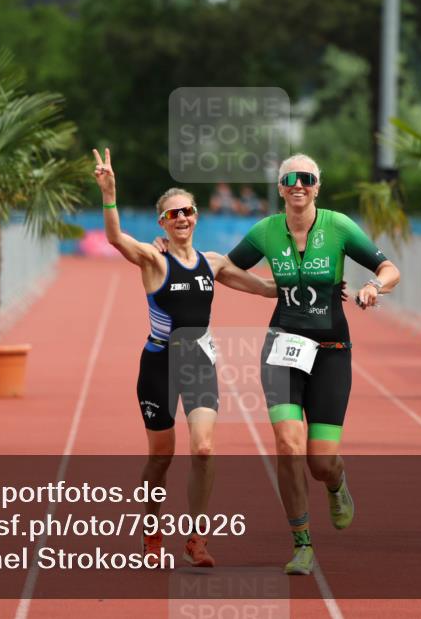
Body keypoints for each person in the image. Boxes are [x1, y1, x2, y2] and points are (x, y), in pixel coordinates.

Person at [92, 147, 278, 568]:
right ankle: (152, 526)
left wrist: (308, 282)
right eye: (173, 214)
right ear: (162, 222)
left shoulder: (213, 264)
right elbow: (115, 239)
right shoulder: (153, 260)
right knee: (161, 458)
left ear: (197, 216)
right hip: (158, 365)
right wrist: (109, 194)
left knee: (206, 449)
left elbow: (265, 288)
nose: (181, 218)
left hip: (198, 364)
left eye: (187, 211)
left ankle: (196, 538)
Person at [225, 153, 400, 575]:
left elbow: (389, 267)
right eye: (290, 179)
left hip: (332, 351)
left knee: (320, 461)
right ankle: (301, 542)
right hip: (282, 346)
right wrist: (264, 288)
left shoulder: (338, 227)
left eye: (306, 179)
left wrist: (375, 287)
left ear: (317, 186)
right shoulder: (266, 231)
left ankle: (336, 483)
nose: (298, 185)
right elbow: (225, 268)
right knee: (287, 445)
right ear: (281, 188)